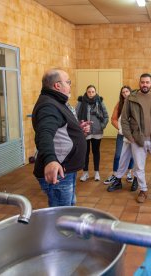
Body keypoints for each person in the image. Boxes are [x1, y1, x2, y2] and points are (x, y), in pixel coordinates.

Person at [32, 68, 88, 207]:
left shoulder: (56, 101)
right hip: (59, 170)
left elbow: (59, 128)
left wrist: (77, 130)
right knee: (61, 213)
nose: (70, 85)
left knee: (69, 206)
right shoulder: (48, 105)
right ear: (57, 85)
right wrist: (50, 160)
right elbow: (44, 133)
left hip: (66, 168)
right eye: (68, 82)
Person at [121, 73, 151, 204]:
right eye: (142, 82)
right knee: (139, 167)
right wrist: (130, 136)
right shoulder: (131, 98)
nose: (145, 84)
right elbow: (124, 119)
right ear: (139, 83)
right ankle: (143, 190)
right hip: (138, 139)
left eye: (147, 82)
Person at [76, 85, 109, 182]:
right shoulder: (81, 101)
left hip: (97, 132)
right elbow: (75, 115)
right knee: (85, 152)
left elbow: (106, 116)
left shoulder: (100, 101)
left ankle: (96, 173)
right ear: (86, 92)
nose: (90, 93)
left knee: (96, 152)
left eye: (92, 92)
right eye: (89, 92)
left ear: (95, 92)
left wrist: (101, 126)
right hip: (85, 132)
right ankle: (85, 173)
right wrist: (81, 127)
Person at [104, 85, 134, 186]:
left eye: (127, 91)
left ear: (130, 92)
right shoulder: (119, 104)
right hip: (121, 134)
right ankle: (115, 174)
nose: (125, 93)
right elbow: (113, 119)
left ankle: (129, 173)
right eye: (123, 92)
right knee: (118, 155)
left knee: (132, 155)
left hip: (132, 135)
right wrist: (121, 129)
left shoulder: (135, 103)